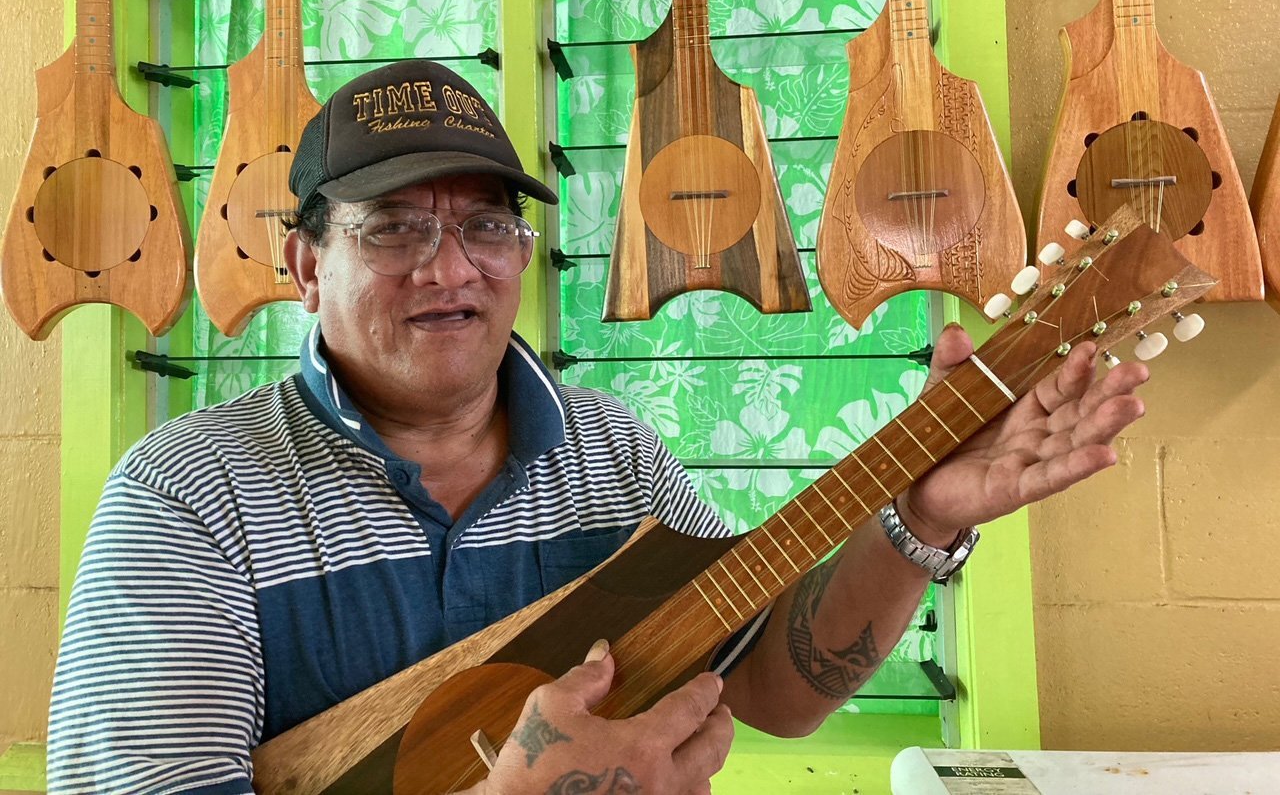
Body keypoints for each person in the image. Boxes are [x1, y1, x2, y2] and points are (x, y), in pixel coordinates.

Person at [46, 60, 1149, 795]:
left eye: (486, 224)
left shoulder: (611, 453)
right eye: (392, 229)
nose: (450, 267)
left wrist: (918, 517)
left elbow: (770, 684)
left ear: (523, 257)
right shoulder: (186, 497)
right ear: (301, 266)